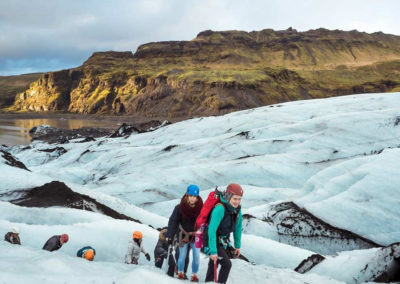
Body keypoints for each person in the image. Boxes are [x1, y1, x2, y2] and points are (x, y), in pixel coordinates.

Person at [204, 183, 243, 284]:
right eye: (235, 199)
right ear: (228, 197)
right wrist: (213, 250)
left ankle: (208, 281)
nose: (237, 202)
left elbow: (238, 228)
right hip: (210, 238)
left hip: (222, 239)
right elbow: (211, 230)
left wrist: (237, 246)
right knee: (226, 264)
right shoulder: (220, 209)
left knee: (214, 262)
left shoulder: (237, 210)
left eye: (239, 199)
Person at [167, 184, 203, 282]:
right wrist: (170, 235)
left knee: (196, 256)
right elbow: (173, 221)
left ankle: (194, 275)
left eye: (195, 197)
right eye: (191, 196)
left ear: (197, 197)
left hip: (197, 235)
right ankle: (180, 273)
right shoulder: (179, 208)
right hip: (182, 235)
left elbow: (205, 222)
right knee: (182, 256)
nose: (192, 199)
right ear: (187, 195)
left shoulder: (202, 208)